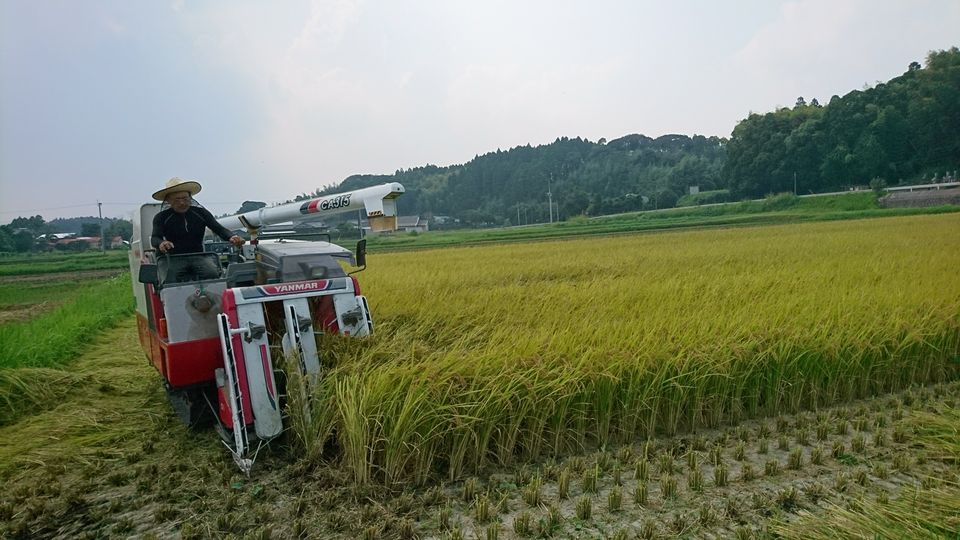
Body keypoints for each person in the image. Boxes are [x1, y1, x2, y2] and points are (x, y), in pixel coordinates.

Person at [150, 177, 245, 284]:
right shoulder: (161, 217)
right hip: (172, 258)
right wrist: (162, 243)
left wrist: (231, 237)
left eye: (185, 198)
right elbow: (155, 238)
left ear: (190, 198)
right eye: (177, 199)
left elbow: (219, 229)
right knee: (168, 280)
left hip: (198, 256)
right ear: (168, 200)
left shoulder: (201, 213)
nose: (182, 203)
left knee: (213, 274)